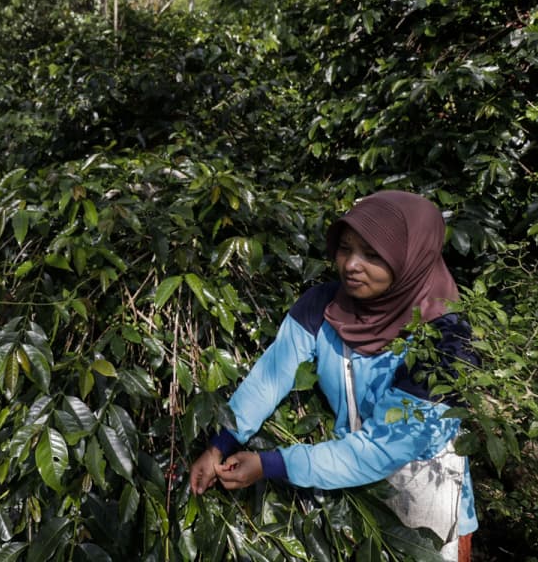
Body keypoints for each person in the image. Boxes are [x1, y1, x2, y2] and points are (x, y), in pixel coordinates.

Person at [189, 190, 478, 562]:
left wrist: (270, 464)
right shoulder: (322, 306)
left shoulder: (445, 340)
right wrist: (219, 446)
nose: (352, 265)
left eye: (373, 254)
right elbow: (269, 379)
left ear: (412, 259)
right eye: (345, 249)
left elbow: (382, 449)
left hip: (423, 492)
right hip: (342, 481)